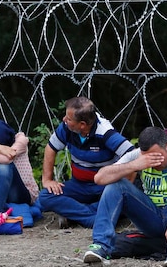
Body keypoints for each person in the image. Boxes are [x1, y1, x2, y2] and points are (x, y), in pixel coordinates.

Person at [84, 126, 167, 267]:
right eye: (148, 158)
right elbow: (100, 178)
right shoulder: (137, 156)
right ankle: (101, 246)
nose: (154, 162)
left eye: (157, 156)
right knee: (116, 185)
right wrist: (135, 165)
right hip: (155, 218)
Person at [35, 96, 134, 228]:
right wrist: (47, 180)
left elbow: (133, 157)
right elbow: (50, 148)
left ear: (82, 124)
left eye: (69, 119)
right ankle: (93, 217)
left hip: (105, 186)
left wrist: (122, 188)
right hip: (79, 186)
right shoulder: (67, 128)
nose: (64, 120)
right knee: (46, 196)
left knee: (124, 201)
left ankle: (79, 214)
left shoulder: (105, 133)